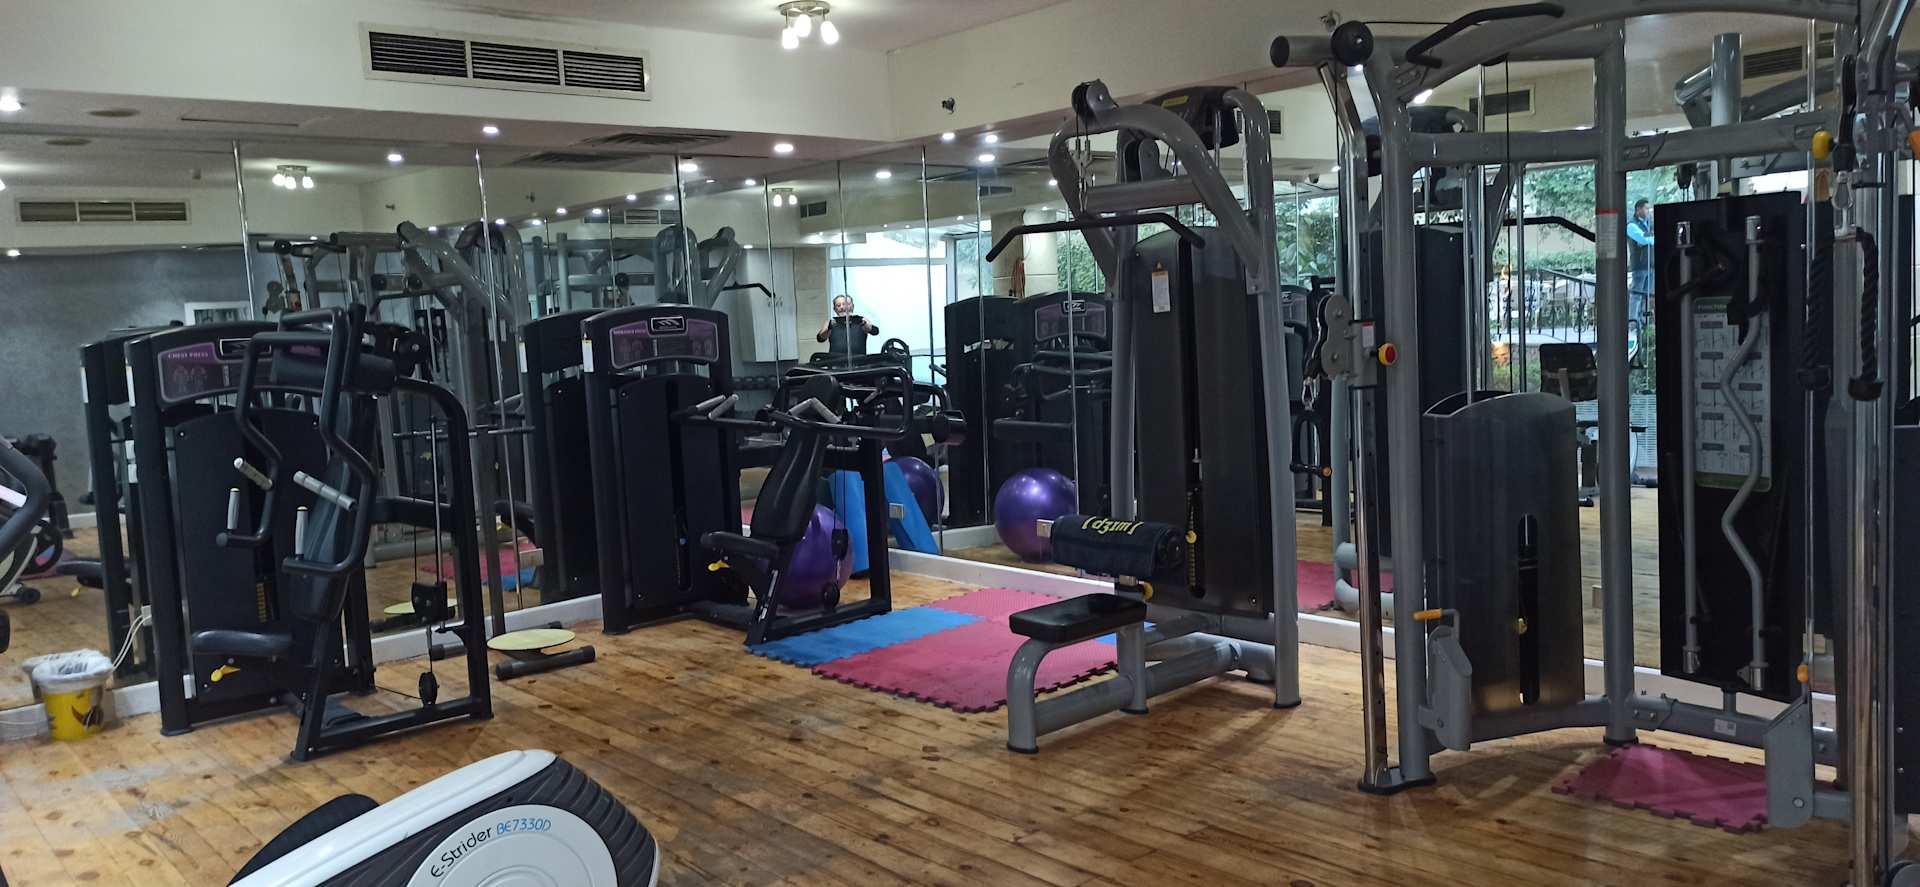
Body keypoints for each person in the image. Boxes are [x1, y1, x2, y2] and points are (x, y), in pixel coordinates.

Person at [1626, 198, 1654, 326]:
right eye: (1646, 208)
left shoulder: (1648, 224)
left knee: (1647, 296)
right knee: (1637, 295)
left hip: (1650, 265)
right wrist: (1649, 238)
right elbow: (1643, 239)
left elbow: (1649, 238)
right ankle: (1633, 322)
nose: (1648, 211)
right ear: (1638, 210)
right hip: (1639, 266)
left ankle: (1643, 322)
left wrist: (1648, 238)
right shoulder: (1632, 225)